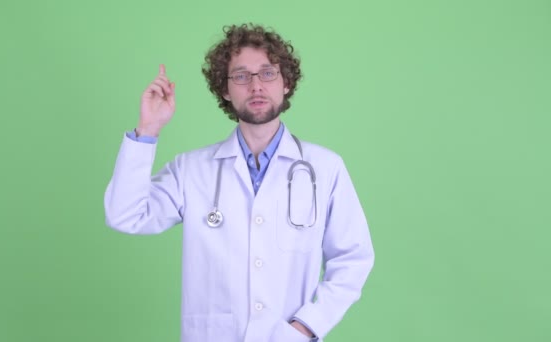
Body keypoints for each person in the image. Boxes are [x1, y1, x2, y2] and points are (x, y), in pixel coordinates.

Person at [104, 23, 374, 342]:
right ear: (225, 89)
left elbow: (353, 258)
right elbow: (126, 215)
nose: (256, 86)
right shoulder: (191, 170)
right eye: (241, 76)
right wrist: (148, 130)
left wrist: (306, 326)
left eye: (268, 73)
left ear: (286, 82)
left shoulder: (325, 168)